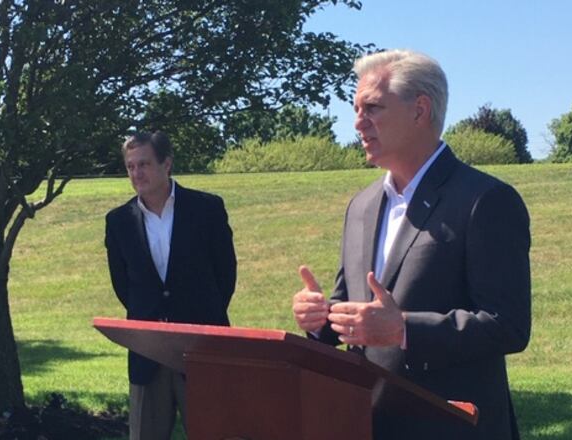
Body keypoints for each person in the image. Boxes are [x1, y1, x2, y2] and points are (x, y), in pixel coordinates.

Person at [292, 50, 531, 439]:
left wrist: (404, 330)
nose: (358, 122)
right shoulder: (361, 206)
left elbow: (508, 326)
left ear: (420, 110)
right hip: (367, 424)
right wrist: (321, 318)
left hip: (452, 428)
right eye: (356, 109)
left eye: (372, 108)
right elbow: (354, 310)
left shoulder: (485, 200)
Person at [105, 131, 237, 440]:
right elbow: (123, 285)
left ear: (167, 164)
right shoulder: (119, 221)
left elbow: (225, 275)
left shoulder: (207, 209)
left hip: (202, 350)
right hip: (147, 354)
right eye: (130, 166)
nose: (137, 173)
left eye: (144, 164)